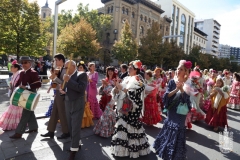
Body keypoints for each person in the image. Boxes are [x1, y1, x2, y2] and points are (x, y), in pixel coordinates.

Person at [111, 60, 151, 158]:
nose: (128, 69)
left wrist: (122, 89)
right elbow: (121, 92)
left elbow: (135, 97)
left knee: (131, 128)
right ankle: (122, 151)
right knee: (122, 128)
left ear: (136, 70)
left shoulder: (139, 81)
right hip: (122, 107)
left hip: (132, 109)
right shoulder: (127, 78)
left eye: (130, 68)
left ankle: (132, 151)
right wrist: (116, 89)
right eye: (128, 68)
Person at [153, 60, 192, 159]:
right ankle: (166, 149)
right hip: (172, 109)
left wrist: (182, 90)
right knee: (169, 126)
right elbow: (166, 96)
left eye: (181, 69)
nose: (178, 70)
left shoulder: (188, 83)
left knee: (178, 128)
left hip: (181, 112)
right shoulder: (172, 81)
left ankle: (175, 153)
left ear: (186, 72)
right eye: (178, 68)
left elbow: (187, 101)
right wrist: (177, 89)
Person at [59, 60, 88, 160]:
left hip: (77, 104)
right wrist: (63, 90)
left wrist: (69, 80)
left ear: (73, 66)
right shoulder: (66, 75)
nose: (65, 70)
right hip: (68, 102)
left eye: (67, 68)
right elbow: (66, 88)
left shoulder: (82, 74)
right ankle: (77, 143)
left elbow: (80, 88)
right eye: (65, 68)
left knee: (75, 126)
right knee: (71, 126)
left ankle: (73, 150)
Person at [9, 56, 41, 139]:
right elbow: (19, 82)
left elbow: (38, 84)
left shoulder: (33, 72)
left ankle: (19, 133)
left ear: (30, 63)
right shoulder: (22, 72)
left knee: (25, 114)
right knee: (29, 111)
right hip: (24, 94)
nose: (23, 64)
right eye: (22, 62)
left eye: (25, 62)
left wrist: (27, 86)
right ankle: (34, 127)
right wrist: (14, 88)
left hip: (31, 94)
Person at [41, 53, 69, 139]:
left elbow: (64, 84)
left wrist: (55, 78)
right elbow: (57, 83)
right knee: (54, 113)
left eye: (56, 60)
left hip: (62, 94)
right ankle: (51, 131)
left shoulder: (66, 70)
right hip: (57, 93)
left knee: (62, 113)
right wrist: (53, 79)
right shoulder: (59, 69)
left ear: (61, 60)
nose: (55, 62)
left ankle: (66, 132)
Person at [0, 61, 22, 131]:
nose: (11, 68)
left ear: (16, 68)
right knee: (13, 108)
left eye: (12, 67)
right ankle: (13, 122)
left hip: (17, 93)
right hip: (13, 92)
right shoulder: (13, 75)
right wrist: (10, 86)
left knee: (15, 108)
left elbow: (19, 84)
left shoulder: (19, 75)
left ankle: (13, 123)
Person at [77, 61, 94, 128]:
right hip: (79, 92)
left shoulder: (84, 75)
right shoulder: (77, 74)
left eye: (81, 67)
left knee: (83, 106)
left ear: (84, 68)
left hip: (83, 91)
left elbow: (85, 84)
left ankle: (83, 122)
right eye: (78, 68)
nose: (79, 69)